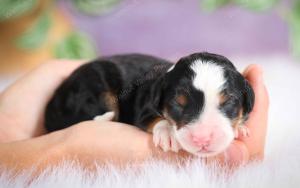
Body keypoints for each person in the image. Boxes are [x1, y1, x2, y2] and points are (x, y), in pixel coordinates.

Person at [0, 60, 269, 174]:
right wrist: (159, 124)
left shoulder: (173, 84)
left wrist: (238, 122)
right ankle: (94, 118)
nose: (203, 135)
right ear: (161, 100)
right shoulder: (157, 93)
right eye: (181, 107)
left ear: (246, 100)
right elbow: (145, 112)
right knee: (99, 93)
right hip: (95, 85)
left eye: (227, 108)